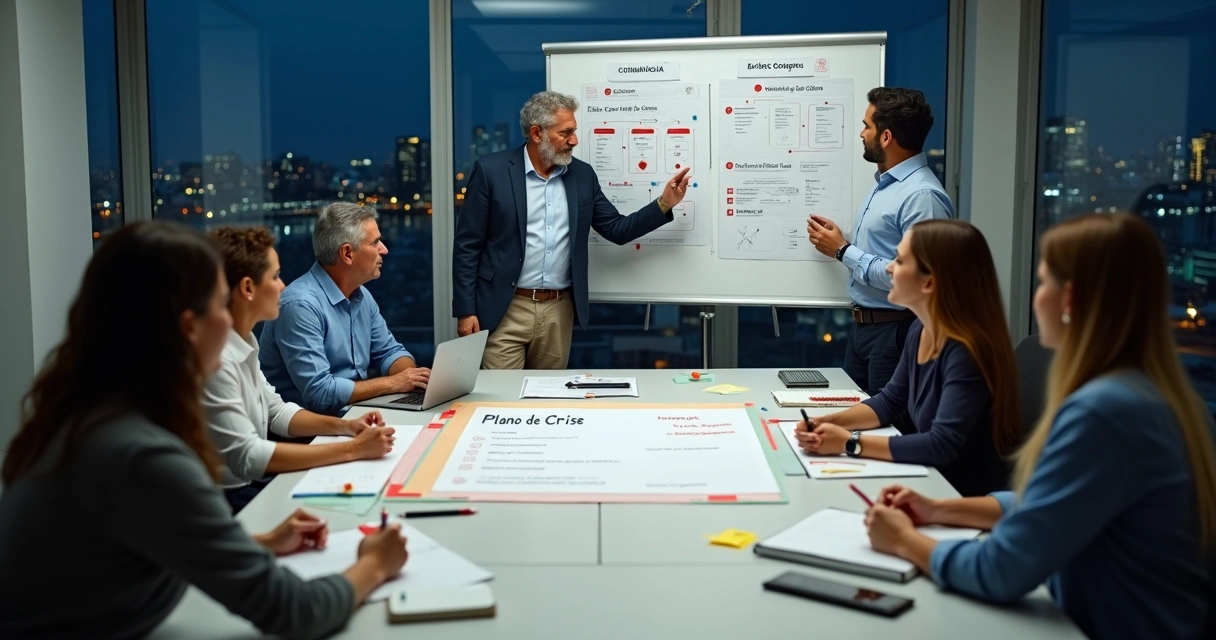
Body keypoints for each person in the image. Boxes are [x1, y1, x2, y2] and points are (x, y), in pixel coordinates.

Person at [0, 221, 409, 639]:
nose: (229, 322)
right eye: (218, 303)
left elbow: (153, 544)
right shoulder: (143, 455)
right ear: (188, 326)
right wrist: (375, 564)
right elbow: (295, 612)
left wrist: (259, 543)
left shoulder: (88, 418)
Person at [863, 214, 1216, 640]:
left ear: (1069, 300)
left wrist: (903, 542)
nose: (1036, 298)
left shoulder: (1103, 413)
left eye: (1043, 282)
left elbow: (1002, 571)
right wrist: (939, 510)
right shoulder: (1153, 394)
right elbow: (1051, 502)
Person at [453, 90, 692, 369]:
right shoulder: (491, 170)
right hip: (504, 308)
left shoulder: (582, 175)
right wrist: (466, 310)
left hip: (559, 311)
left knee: (548, 399)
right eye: (565, 133)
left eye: (574, 131)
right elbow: (467, 246)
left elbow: (616, 229)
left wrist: (665, 203)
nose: (574, 140)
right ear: (536, 133)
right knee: (502, 400)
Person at [795, 219, 1018, 497]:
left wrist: (849, 442)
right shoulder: (920, 328)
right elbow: (890, 401)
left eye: (899, 261)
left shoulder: (967, 349)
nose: (889, 267)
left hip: (958, 495)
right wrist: (829, 423)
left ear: (929, 282)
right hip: (928, 481)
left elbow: (941, 445)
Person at [205, 226, 399, 513]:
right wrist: (352, 449)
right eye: (274, 276)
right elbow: (248, 457)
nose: (283, 286)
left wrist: (346, 427)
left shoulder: (243, 341)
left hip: (251, 482)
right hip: (228, 498)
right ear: (247, 288)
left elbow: (277, 412)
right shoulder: (217, 359)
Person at [807, 87, 953, 398]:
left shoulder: (922, 196)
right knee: (861, 420)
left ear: (886, 137)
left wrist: (843, 251)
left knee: (887, 430)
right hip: (865, 330)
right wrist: (842, 243)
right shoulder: (885, 185)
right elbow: (885, 252)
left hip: (896, 332)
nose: (861, 133)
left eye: (867, 126)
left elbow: (920, 278)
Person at [260, 202, 431, 415]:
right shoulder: (299, 306)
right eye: (375, 242)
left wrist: (413, 379)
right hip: (309, 433)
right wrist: (394, 383)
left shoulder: (361, 295)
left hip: (355, 414)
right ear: (347, 253)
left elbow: (389, 351)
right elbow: (320, 394)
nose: (384, 249)